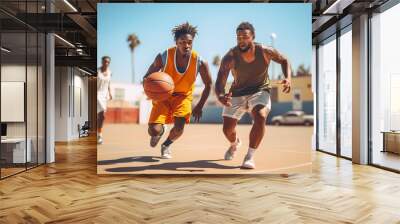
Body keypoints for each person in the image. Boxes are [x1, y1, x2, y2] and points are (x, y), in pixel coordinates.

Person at [215, 22, 292, 169]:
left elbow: (284, 59)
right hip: (237, 92)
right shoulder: (230, 57)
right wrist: (220, 96)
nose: (241, 40)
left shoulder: (264, 51)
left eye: (245, 37)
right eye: (238, 37)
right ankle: (234, 144)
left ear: (253, 37)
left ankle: (249, 156)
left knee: (260, 115)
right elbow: (220, 80)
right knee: (227, 129)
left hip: (260, 90)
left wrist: (288, 77)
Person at [143, 22, 212, 159]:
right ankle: (161, 130)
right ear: (176, 42)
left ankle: (167, 145)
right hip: (163, 96)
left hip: (183, 96)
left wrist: (199, 105)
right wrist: (149, 88)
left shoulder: (199, 61)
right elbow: (147, 76)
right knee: (153, 131)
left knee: (179, 127)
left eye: (189, 42)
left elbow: (209, 84)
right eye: (182, 42)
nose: (186, 45)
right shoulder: (164, 56)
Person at [97, 56, 112, 145]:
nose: (106, 63)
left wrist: (110, 93)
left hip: (104, 95)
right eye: (105, 61)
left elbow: (109, 83)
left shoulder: (110, 72)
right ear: (102, 62)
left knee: (102, 116)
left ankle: (99, 134)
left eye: (108, 62)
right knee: (99, 115)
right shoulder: (97, 71)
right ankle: (97, 134)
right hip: (97, 93)